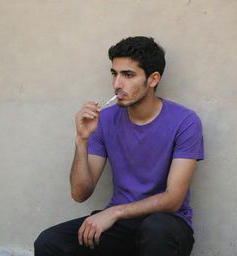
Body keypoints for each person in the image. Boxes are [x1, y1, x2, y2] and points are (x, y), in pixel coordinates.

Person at [34, 36, 204, 256]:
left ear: (152, 79)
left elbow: (173, 199)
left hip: (167, 226)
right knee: (50, 242)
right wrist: (82, 140)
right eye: (114, 74)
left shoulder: (185, 121)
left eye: (128, 75)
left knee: (156, 230)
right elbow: (80, 193)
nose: (117, 84)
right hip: (121, 226)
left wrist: (114, 212)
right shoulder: (103, 120)